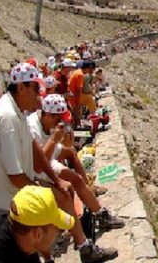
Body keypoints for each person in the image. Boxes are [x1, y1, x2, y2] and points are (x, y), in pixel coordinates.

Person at [0, 62, 116, 263]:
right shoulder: (8, 118)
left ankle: (81, 247)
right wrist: (43, 193)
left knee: (63, 191)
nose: (38, 96)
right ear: (21, 87)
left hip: (17, 190)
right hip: (8, 200)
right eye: (36, 89)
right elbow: (15, 174)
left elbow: (34, 149)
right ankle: (80, 248)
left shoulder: (17, 112)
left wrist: (56, 181)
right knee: (56, 204)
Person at [27, 94, 123, 230]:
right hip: (36, 167)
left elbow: (58, 146)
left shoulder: (47, 122)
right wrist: (54, 140)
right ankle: (76, 229)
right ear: (48, 115)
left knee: (75, 172)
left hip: (46, 157)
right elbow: (38, 165)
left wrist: (65, 141)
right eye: (57, 119)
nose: (59, 123)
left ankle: (98, 211)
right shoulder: (32, 128)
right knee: (67, 189)